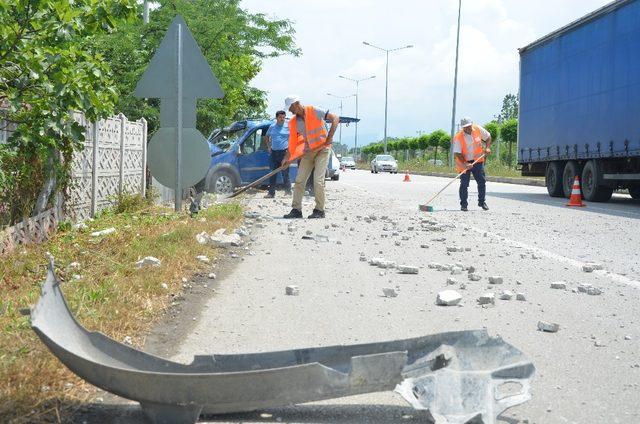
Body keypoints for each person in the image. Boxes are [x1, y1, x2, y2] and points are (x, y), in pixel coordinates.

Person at [282, 95, 339, 219]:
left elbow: (335, 118)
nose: (290, 111)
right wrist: (286, 158)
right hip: (308, 152)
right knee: (299, 180)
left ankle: (319, 210)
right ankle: (296, 210)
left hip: (323, 150)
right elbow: (292, 143)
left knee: (318, 181)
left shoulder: (314, 110)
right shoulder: (293, 122)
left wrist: (330, 137)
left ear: (297, 104)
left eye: (291, 108)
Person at [452, 117, 492, 211]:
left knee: (481, 181)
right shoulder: (458, 137)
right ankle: (464, 204)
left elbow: (488, 137)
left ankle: (482, 202)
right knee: (464, 184)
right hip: (463, 162)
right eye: (465, 127)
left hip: (477, 161)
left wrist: (487, 148)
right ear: (462, 127)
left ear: (471, 124)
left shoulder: (477, 129)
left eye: (469, 126)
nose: (468, 129)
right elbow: (457, 153)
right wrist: (466, 163)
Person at [264, 110, 291, 198]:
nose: (282, 119)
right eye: (280, 117)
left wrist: (289, 152)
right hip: (274, 153)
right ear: (277, 118)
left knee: (285, 173)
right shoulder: (272, 127)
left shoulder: (288, 126)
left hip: (284, 153)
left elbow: (293, 139)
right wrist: (268, 147)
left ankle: (288, 192)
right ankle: (271, 193)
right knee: (272, 173)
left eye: (283, 117)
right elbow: (267, 136)